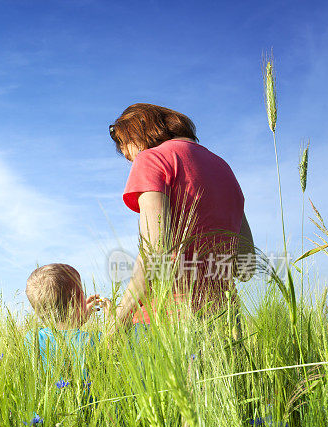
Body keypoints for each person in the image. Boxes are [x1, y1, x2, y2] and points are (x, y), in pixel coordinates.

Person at [107, 103, 254, 328]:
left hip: (167, 321)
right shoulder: (223, 166)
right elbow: (246, 267)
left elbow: (155, 251)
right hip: (227, 319)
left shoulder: (151, 159)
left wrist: (117, 319)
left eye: (125, 147)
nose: (128, 159)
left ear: (136, 133)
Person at [24, 263, 105, 374]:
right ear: (81, 297)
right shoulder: (96, 340)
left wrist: (77, 320)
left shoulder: (32, 339)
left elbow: (63, 336)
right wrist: (112, 321)